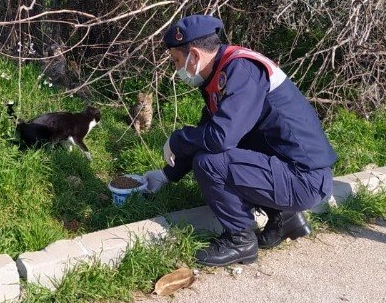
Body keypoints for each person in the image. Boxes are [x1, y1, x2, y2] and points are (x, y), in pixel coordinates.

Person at [140, 15, 337, 267]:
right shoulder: (224, 71)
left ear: (196, 56)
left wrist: (178, 139)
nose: (177, 69)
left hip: (305, 180)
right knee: (215, 149)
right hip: (292, 170)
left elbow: (220, 138)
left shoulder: (242, 71)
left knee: (210, 162)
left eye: (177, 61)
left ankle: (240, 240)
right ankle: (286, 217)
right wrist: (167, 174)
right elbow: (207, 131)